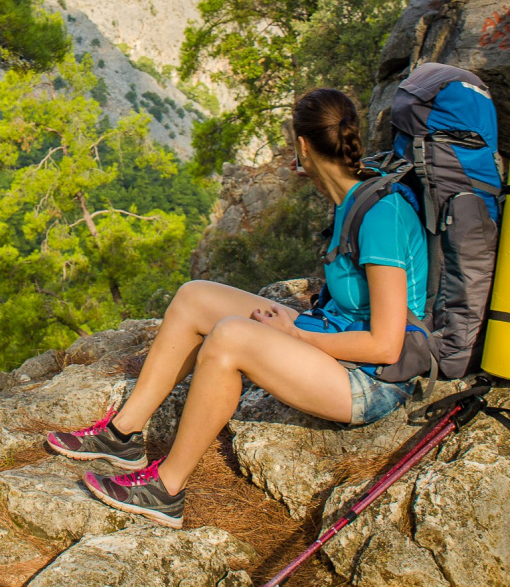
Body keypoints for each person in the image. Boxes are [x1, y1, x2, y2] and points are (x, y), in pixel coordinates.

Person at [44, 87, 428, 528]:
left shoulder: (383, 216)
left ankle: (166, 489)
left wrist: (296, 335)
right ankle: (123, 435)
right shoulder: (352, 190)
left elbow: (385, 346)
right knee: (195, 297)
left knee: (228, 336)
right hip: (333, 336)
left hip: (372, 380)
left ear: (302, 145)